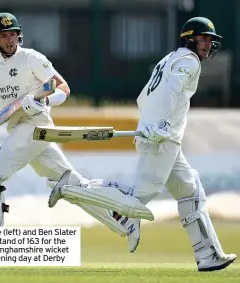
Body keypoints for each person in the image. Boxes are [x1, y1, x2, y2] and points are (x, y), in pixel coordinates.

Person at [49, 17, 237, 271]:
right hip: (163, 138)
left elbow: (142, 97)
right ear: (190, 39)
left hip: (159, 135)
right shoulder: (189, 61)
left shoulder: (168, 59)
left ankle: (207, 255)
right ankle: (74, 184)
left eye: (209, 41)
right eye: (203, 39)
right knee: (136, 201)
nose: (207, 45)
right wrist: (160, 126)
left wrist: (149, 124)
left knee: (190, 190)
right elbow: (172, 88)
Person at [0, 12, 153, 253]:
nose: (10, 40)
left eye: (13, 34)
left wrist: (45, 102)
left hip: (36, 125)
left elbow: (62, 86)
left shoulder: (31, 58)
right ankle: (125, 219)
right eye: (4, 36)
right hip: (19, 129)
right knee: (71, 186)